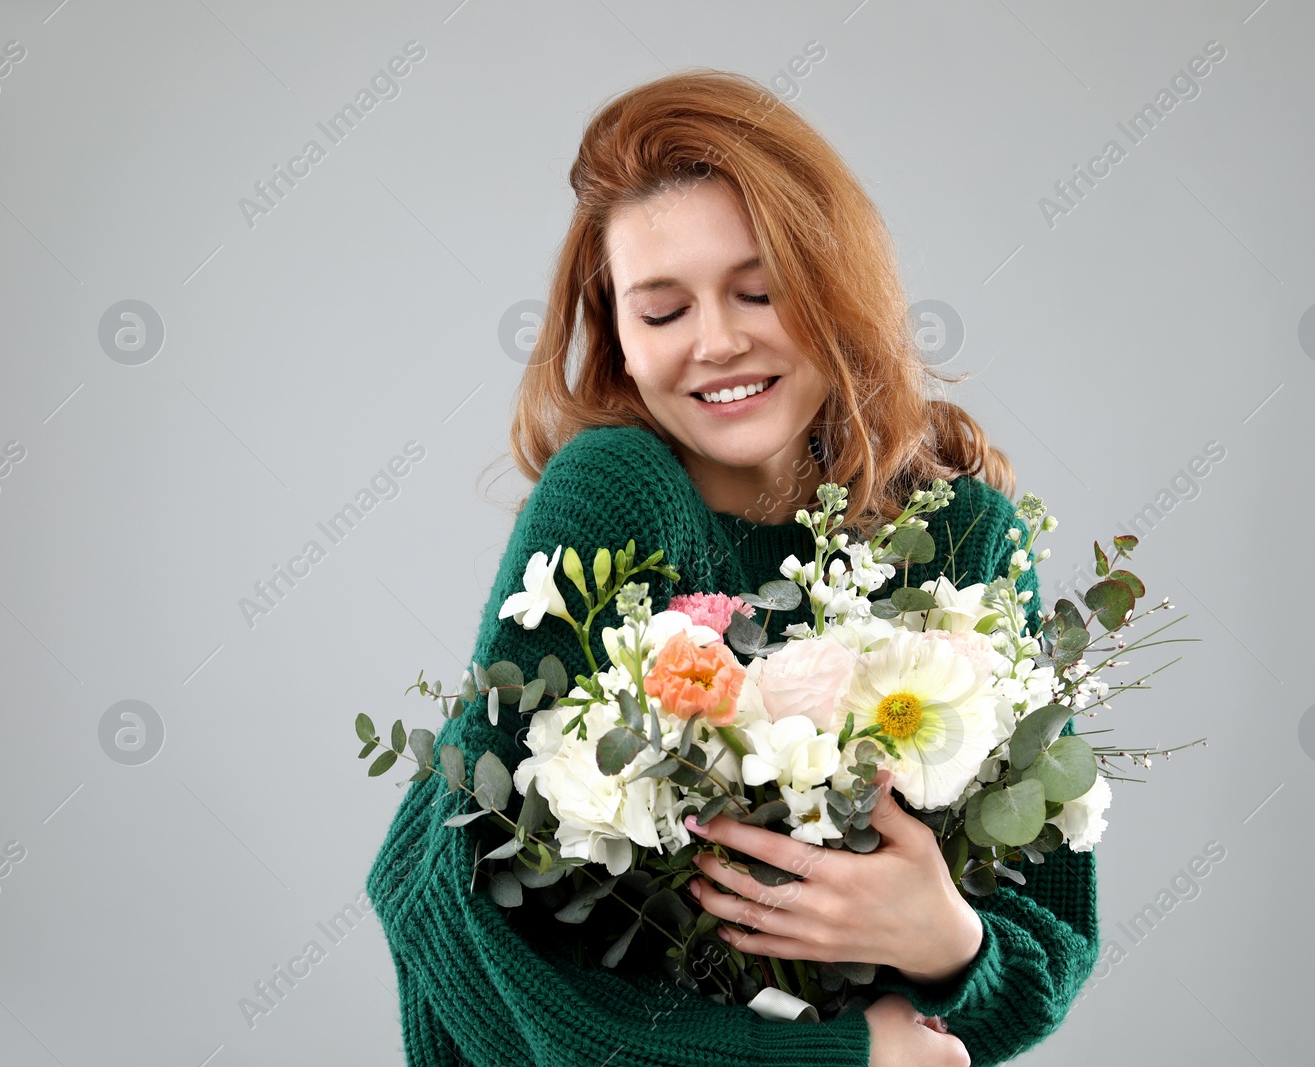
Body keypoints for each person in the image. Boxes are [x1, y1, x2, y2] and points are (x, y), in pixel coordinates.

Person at [366, 68, 1098, 1067]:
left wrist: (946, 940)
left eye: (758, 290)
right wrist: (838, 1060)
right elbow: (453, 892)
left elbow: (1039, 965)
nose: (717, 341)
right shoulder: (613, 488)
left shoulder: (964, 533)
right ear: (618, 339)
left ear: (834, 285)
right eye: (663, 312)